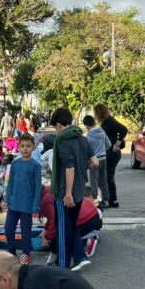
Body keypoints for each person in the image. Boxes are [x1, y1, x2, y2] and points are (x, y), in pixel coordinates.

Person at [49, 107, 98, 272]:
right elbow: (95, 162)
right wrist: (82, 168)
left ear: (58, 125)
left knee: (63, 228)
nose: (56, 131)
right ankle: (79, 257)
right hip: (79, 190)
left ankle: (62, 263)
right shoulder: (82, 139)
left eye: (55, 127)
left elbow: (69, 168)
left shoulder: (63, 141)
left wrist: (67, 193)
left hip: (65, 192)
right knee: (71, 225)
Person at [4, 133, 41, 265]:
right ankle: (11, 252)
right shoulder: (15, 163)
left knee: (26, 232)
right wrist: (7, 198)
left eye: (28, 146)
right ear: (18, 147)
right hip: (14, 203)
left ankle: (26, 253)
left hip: (27, 205)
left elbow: (37, 187)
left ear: (33, 147)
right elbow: (10, 183)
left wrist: (36, 206)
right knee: (8, 229)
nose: (25, 149)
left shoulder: (35, 165)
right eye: (23, 146)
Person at [39, 186, 102, 261]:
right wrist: (45, 230)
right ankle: (87, 238)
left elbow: (54, 222)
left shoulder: (45, 201)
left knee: (55, 245)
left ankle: (86, 242)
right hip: (94, 218)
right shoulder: (51, 190)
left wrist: (47, 238)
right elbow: (52, 216)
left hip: (86, 221)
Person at [94, 103, 128, 208]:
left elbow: (124, 129)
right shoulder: (105, 122)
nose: (95, 115)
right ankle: (110, 200)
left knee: (107, 177)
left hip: (112, 153)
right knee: (106, 177)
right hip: (108, 153)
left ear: (99, 113)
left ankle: (111, 200)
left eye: (95, 113)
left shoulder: (110, 121)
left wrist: (117, 144)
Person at [82, 115, 109, 206]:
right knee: (103, 180)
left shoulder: (89, 135)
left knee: (94, 181)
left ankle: (95, 200)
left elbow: (87, 149)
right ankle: (106, 200)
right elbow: (108, 144)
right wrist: (103, 150)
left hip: (94, 160)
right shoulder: (102, 131)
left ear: (86, 125)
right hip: (103, 158)